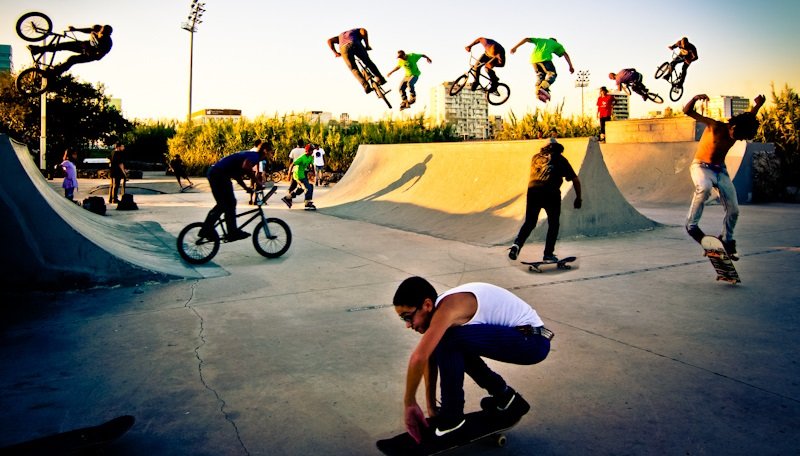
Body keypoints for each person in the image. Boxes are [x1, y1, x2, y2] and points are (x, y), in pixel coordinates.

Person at [392, 276, 552, 444]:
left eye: (407, 317)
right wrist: (431, 406)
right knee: (449, 342)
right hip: (523, 337)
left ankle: (452, 418)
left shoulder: (448, 308)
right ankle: (505, 397)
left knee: (449, 341)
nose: (408, 325)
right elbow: (429, 356)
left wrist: (409, 404)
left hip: (532, 342)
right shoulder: (442, 308)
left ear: (426, 305)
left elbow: (419, 357)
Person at [683, 93, 766, 260]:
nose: (734, 139)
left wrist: (758, 105)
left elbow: (749, 117)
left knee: (734, 210)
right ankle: (691, 225)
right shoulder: (714, 126)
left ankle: (727, 240)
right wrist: (694, 98)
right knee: (704, 187)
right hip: (701, 167)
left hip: (721, 171)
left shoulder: (741, 127)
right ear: (732, 126)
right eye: (735, 135)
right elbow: (687, 111)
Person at [509, 139, 582, 262]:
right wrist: (578, 198)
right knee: (553, 224)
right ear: (558, 148)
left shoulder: (535, 158)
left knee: (530, 222)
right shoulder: (560, 159)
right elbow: (575, 180)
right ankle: (548, 254)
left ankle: (516, 244)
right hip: (551, 194)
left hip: (533, 192)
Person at [201, 141, 273, 241]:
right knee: (227, 203)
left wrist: (246, 188)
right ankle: (228, 232)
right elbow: (246, 167)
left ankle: (211, 229)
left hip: (217, 173)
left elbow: (237, 175)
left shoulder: (251, 156)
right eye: (271, 152)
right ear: (265, 151)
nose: (271, 154)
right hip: (219, 174)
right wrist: (258, 182)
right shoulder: (255, 156)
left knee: (225, 204)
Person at [29, 24, 112, 76]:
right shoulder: (98, 29)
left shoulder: (107, 44)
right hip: (84, 45)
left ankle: (53, 73)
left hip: (90, 55)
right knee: (62, 45)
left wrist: (88, 52)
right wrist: (75, 29)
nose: (101, 35)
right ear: (101, 29)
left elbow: (99, 57)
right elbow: (88, 30)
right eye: (101, 32)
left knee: (72, 59)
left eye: (104, 35)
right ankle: (37, 50)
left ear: (108, 35)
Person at [510, 36, 574, 102]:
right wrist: (570, 66)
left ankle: (538, 92)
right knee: (552, 74)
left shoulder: (540, 40)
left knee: (540, 75)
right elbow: (565, 54)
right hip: (544, 59)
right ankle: (543, 88)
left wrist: (515, 48)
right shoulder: (556, 44)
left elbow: (526, 39)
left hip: (534, 60)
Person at [328, 28, 387, 94]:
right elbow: (363, 31)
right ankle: (381, 79)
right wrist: (367, 45)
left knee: (353, 68)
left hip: (343, 48)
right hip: (355, 43)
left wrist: (335, 53)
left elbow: (329, 40)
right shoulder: (357, 30)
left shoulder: (340, 36)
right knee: (368, 62)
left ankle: (366, 86)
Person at [281, 144, 316, 211]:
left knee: (308, 187)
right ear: (307, 150)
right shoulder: (302, 157)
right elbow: (292, 165)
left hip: (302, 174)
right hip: (297, 175)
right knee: (308, 187)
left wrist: (314, 173)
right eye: (311, 150)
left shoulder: (310, 157)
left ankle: (288, 197)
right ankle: (307, 203)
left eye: (312, 150)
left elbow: (311, 165)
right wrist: (289, 175)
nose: (312, 152)